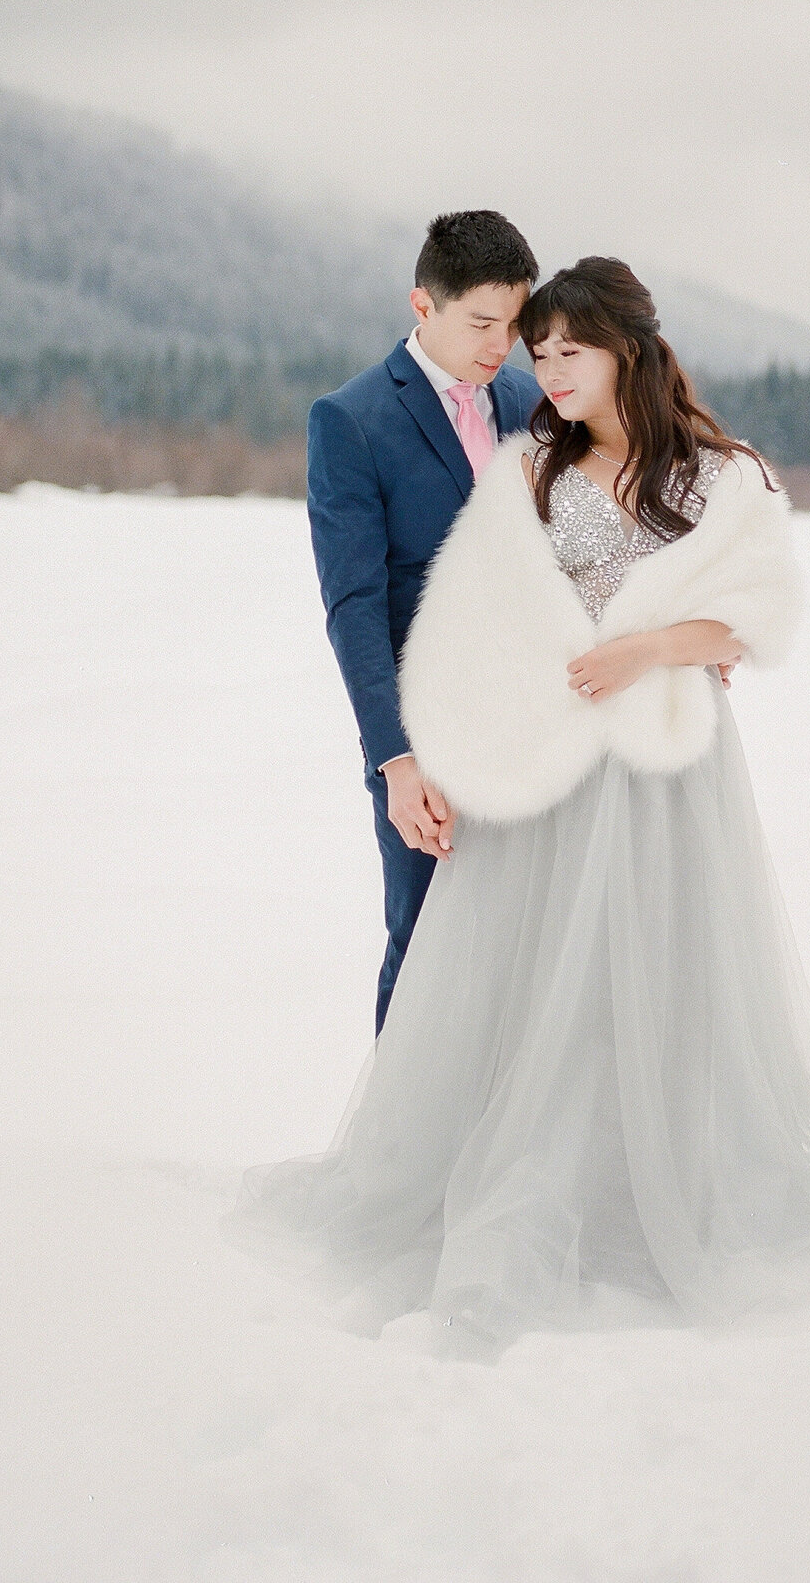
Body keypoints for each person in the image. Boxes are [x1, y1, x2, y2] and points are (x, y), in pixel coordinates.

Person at [231, 256, 810, 1354]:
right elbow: (470, 623)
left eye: (564, 350)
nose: (544, 370)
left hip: (673, 770)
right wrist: (424, 755)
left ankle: (667, 1175)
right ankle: (526, 1179)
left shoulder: (724, 475)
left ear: (624, 347)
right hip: (552, 769)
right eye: (532, 353)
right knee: (543, 979)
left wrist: (650, 646)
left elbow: (754, 619)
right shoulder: (531, 467)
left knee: (665, 961)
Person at [304, 208, 541, 1035]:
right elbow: (354, 606)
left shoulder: (529, 401)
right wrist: (395, 764)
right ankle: (399, 1157)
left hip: (536, 727)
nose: (500, 345)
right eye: (481, 322)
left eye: (514, 324)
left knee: (528, 945)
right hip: (425, 742)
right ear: (422, 304)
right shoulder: (352, 421)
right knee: (425, 943)